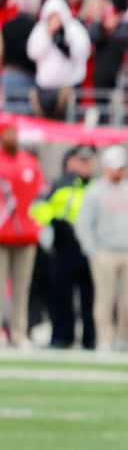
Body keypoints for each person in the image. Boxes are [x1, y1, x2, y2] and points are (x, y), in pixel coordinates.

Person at [74, 146, 128, 352]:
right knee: (104, 299)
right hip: (105, 252)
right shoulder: (94, 192)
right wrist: (92, 250)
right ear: (105, 168)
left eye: (121, 168)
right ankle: (105, 339)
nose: (118, 172)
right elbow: (83, 223)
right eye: (115, 168)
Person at [30, 145, 96, 349]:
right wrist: (55, 222)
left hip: (90, 246)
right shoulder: (58, 184)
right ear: (70, 162)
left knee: (90, 295)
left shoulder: (96, 186)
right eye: (80, 160)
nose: (85, 165)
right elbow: (37, 207)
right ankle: (61, 336)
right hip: (64, 244)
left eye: (88, 161)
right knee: (61, 293)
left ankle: (90, 338)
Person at [0, 123, 43, 349]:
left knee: (22, 287)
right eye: (8, 132)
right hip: (1, 234)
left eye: (15, 133)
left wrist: (38, 226)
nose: (12, 137)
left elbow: (38, 197)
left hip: (26, 234)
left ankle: (19, 332)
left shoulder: (30, 162)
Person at [24, 0, 91, 119]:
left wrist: (64, 45)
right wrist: (49, 36)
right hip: (44, 88)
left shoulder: (74, 29)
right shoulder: (40, 30)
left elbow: (83, 53)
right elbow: (32, 53)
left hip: (67, 86)